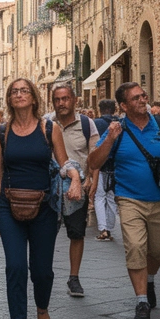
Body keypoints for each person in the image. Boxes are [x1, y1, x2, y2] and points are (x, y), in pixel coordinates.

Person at [0, 78, 83, 319]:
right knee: (15, 268)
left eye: (24, 91)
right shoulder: (0, 132)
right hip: (9, 206)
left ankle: (42, 308)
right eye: (14, 91)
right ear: (9, 98)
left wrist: (75, 176)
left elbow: (65, 164)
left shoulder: (48, 128)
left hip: (44, 207)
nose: (19, 95)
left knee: (42, 271)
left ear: (33, 97)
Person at [87, 83, 160, 319]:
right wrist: (109, 140)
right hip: (129, 198)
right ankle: (142, 301)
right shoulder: (117, 129)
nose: (143, 99)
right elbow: (93, 162)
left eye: (143, 95)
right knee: (135, 246)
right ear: (123, 106)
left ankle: (151, 278)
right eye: (136, 98)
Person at [49, 83, 97, 298]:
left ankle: (74, 277)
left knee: (76, 234)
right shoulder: (45, 124)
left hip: (78, 188)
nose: (61, 103)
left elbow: (94, 156)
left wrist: (93, 179)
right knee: (45, 233)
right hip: (49, 188)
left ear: (75, 100)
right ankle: (43, 272)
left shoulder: (87, 125)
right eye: (57, 99)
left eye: (65, 98)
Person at [93, 99, 120, 242]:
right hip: (114, 165)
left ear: (100, 109)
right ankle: (109, 228)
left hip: (101, 164)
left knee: (99, 196)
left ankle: (103, 229)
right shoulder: (119, 123)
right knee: (110, 197)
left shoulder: (96, 123)